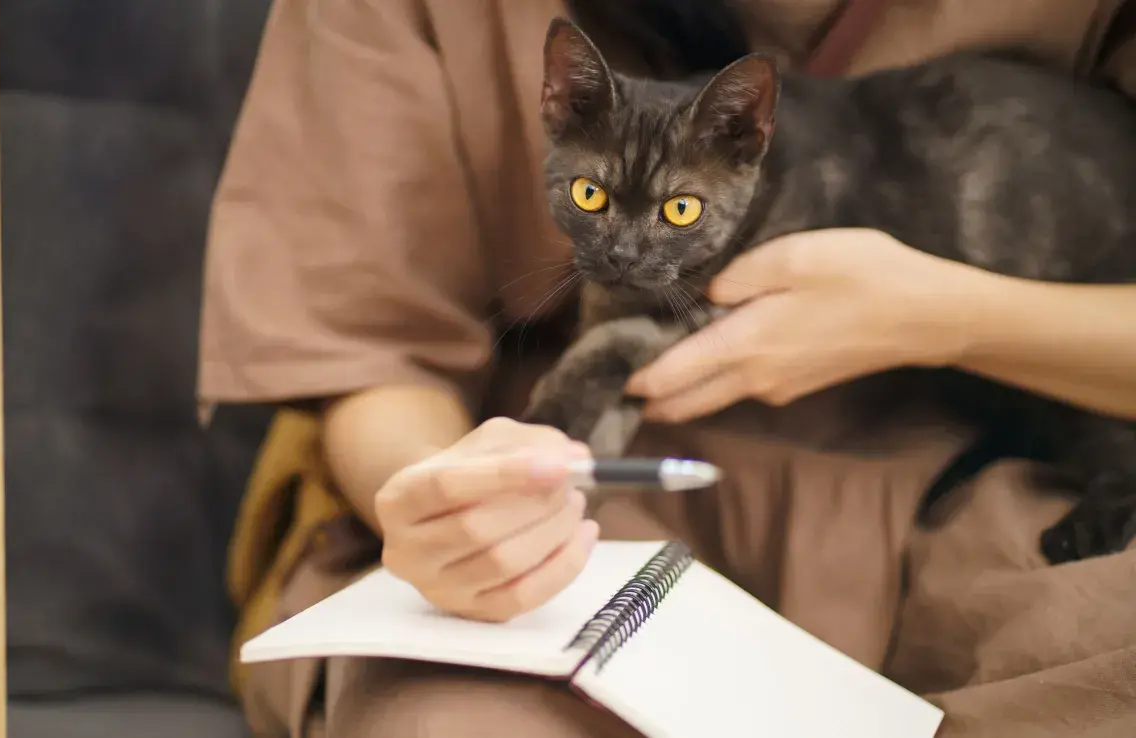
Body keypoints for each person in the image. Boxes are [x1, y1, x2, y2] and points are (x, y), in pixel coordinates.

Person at [198, 0, 1136, 736]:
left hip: (992, 487)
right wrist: (445, 502)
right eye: (595, 198)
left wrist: (949, 317)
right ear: (558, 110)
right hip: (576, 500)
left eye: (676, 216)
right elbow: (365, 344)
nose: (628, 246)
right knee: (451, 720)